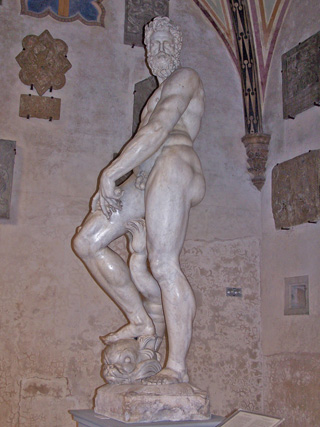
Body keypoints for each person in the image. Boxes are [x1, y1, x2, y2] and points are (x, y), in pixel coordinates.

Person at [73, 16, 205, 385]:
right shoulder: (152, 92)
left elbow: (160, 130)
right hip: (144, 178)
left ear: (176, 47)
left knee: (163, 264)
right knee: (87, 241)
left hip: (176, 165)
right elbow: (147, 136)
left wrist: (111, 174)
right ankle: (140, 320)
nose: (160, 50)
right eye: (154, 45)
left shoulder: (186, 78)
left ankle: (176, 368)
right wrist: (120, 176)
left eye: (166, 43)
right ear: (147, 53)